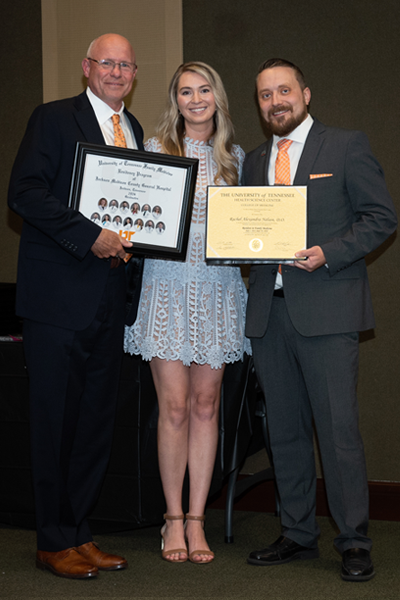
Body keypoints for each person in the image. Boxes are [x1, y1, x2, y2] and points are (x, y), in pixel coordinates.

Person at [242, 58, 397, 581]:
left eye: (284, 90)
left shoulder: (346, 145)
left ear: (306, 94)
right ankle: (298, 533)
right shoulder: (255, 159)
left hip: (328, 311)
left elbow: (381, 218)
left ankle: (353, 540)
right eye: (265, 95)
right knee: (283, 432)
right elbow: (246, 232)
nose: (275, 101)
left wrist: (329, 252)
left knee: (338, 432)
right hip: (269, 313)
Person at [8, 33, 144, 579]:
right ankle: (51, 540)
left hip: (111, 295)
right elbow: (25, 193)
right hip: (58, 297)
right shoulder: (53, 118)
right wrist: (90, 235)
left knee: (93, 423)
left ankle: (78, 532)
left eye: (125, 65)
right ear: (87, 67)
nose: (115, 72)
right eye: (106, 62)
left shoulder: (132, 130)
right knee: (54, 421)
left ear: (134, 74)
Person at [124, 62, 251, 564]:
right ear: (174, 100)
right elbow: (132, 218)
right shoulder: (154, 152)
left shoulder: (238, 159)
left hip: (219, 293)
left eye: (204, 90)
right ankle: (171, 518)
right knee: (174, 407)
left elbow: (251, 230)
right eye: (185, 92)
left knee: (207, 405)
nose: (195, 99)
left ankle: (198, 519)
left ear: (217, 97)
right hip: (166, 292)